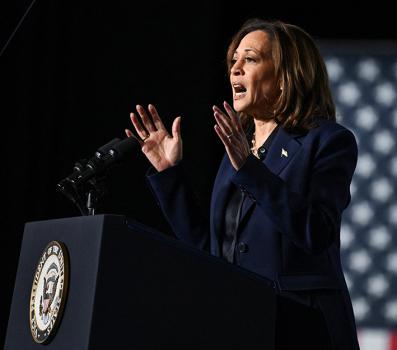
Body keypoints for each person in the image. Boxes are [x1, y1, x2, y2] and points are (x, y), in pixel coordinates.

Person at [125, 18, 360, 350]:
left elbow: (315, 232)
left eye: (249, 58)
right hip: (242, 323)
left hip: (302, 328)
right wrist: (169, 175)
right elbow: (212, 251)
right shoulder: (236, 152)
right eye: (233, 60)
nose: (234, 69)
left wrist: (250, 169)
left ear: (285, 75)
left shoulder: (327, 142)